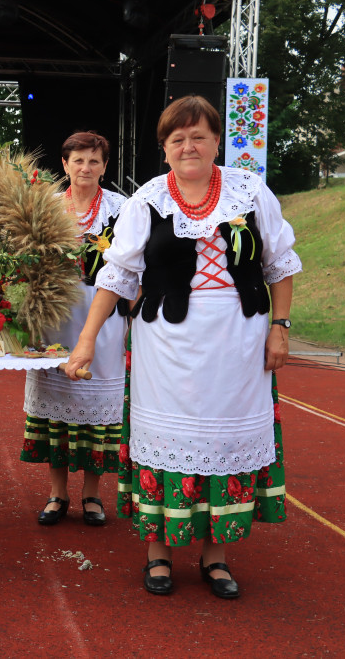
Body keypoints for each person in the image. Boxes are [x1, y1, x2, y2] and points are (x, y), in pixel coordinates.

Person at [66, 95, 301, 599]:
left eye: (199, 136)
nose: (189, 146)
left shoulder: (250, 192)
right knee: (168, 445)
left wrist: (280, 327)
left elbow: (280, 263)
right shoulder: (148, 198)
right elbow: (119, 274)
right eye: (178, 139)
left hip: (239, 342)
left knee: (224, 444)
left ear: (217, 141)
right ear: (164, 148)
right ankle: (159, 554)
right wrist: (86, 341)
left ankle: (216, 558)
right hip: (167, 346)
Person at [21, 131, 127, 527]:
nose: (86, 167)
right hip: (55, 314)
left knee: (95, 405)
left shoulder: (122, 208)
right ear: (64, 164)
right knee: (56, 405)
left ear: (105, 166)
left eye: (94, 161)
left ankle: (93, 496)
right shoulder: (44, 205)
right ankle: (57, 493)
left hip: (104, 313)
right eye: (78, 160)